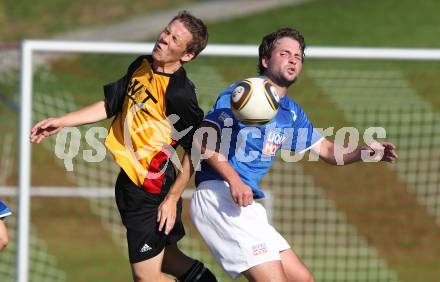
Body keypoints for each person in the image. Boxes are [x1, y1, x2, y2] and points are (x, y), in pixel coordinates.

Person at [190, 27, 398, 282]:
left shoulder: (291, 112)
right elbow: (202, 138)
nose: (293, 59)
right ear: (265, 60)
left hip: (246, 204)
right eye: (284, 53)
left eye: (298, 56)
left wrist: (364, 152)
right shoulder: (244, 93)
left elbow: (328, 151)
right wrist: (234, 180)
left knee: (302, 279)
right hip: (219, 194)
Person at [30, 11, 217, 282]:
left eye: (174, 38)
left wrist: (173, 197)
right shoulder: (141, 65)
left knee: (145, 277)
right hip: (130, 182)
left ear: (186, 55)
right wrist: (63, 121)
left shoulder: (179, 93)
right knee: (170, 259)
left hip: (153, 190)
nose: (163, 39)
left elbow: (197, 146)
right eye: (166, 31)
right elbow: (111, 104)